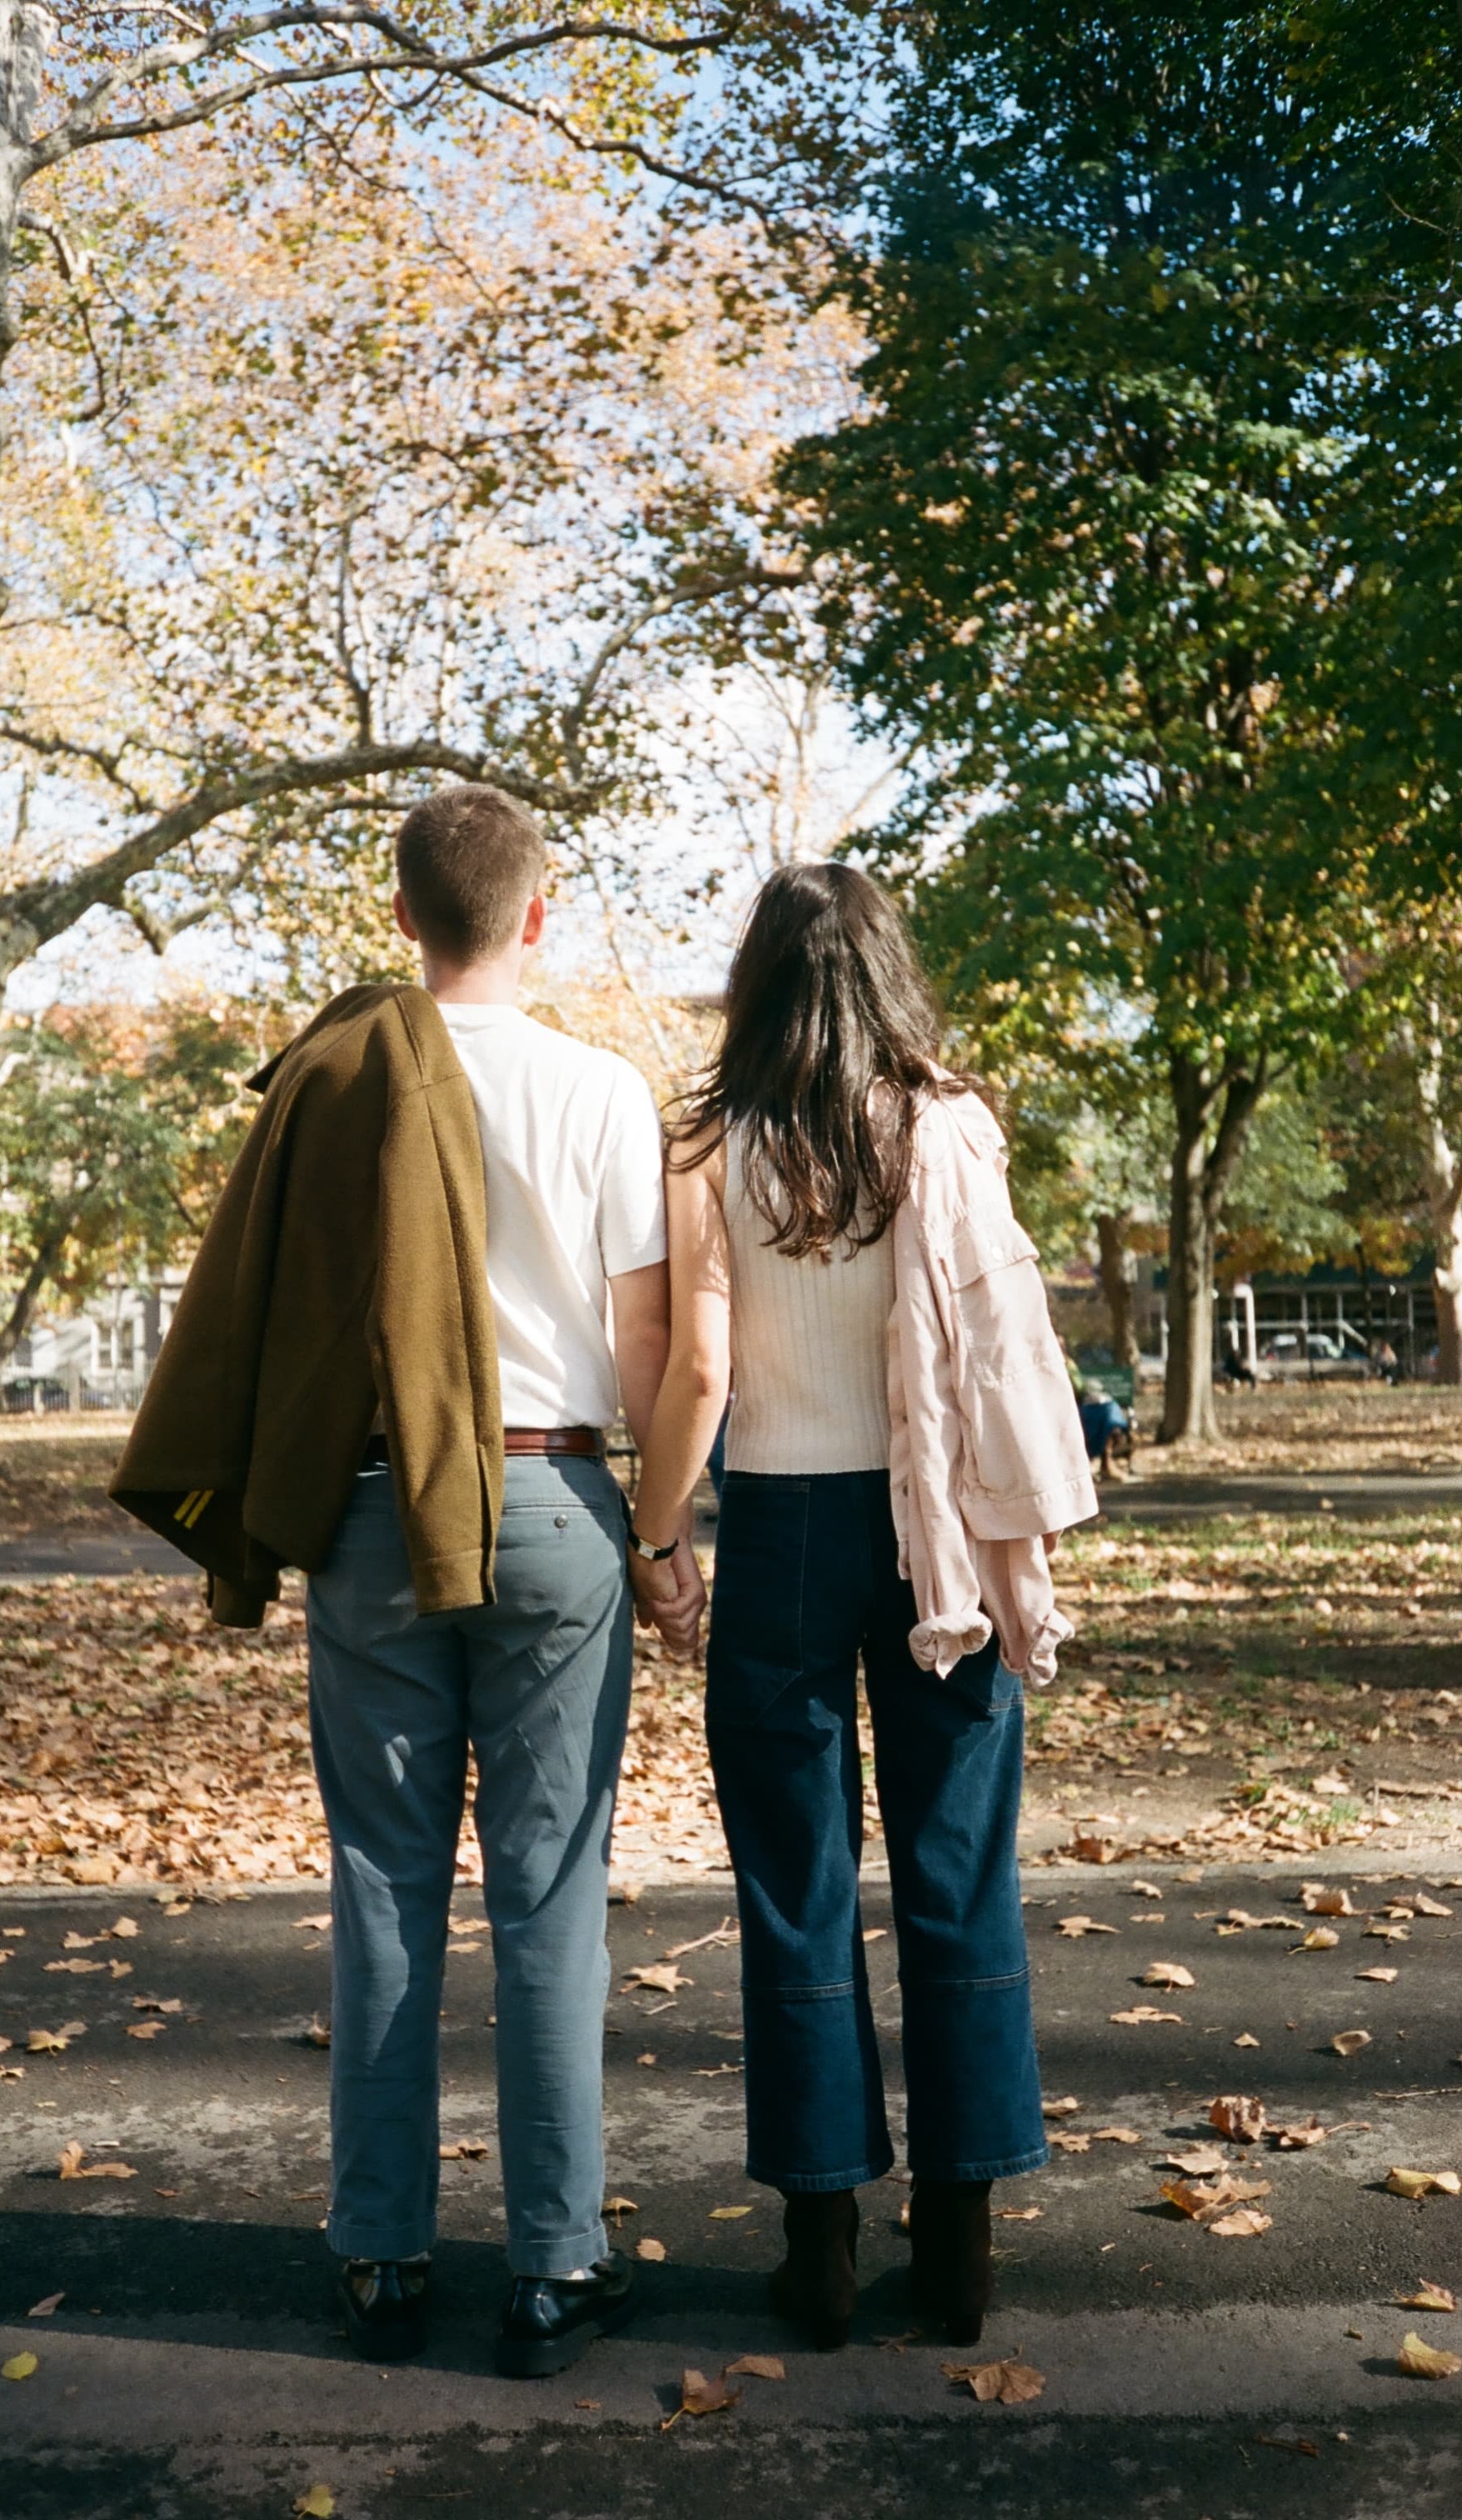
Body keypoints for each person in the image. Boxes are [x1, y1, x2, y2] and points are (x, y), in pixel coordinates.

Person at [627, 862, 1096, 2352]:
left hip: (777, 1529)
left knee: (793, 1882)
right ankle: (957, 2246)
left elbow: (698, 1370)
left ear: (757, 981)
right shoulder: (952, 1127)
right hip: (934, 1538)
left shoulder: (710, 1142)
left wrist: (659, 1537)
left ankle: (818, 2247)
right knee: (957, 1867)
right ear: (890, 972)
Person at [298, 786, 697, 2377]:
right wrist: (668, 1538)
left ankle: (382, 2262)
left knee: (382, 1884)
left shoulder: (336, 1087)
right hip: (553, 1498)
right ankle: (555, 2267)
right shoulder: (604, 1091)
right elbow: (654, 1344)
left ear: (402, 916)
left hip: (375, 1507)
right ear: (536, 915)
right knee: (546, 1892)